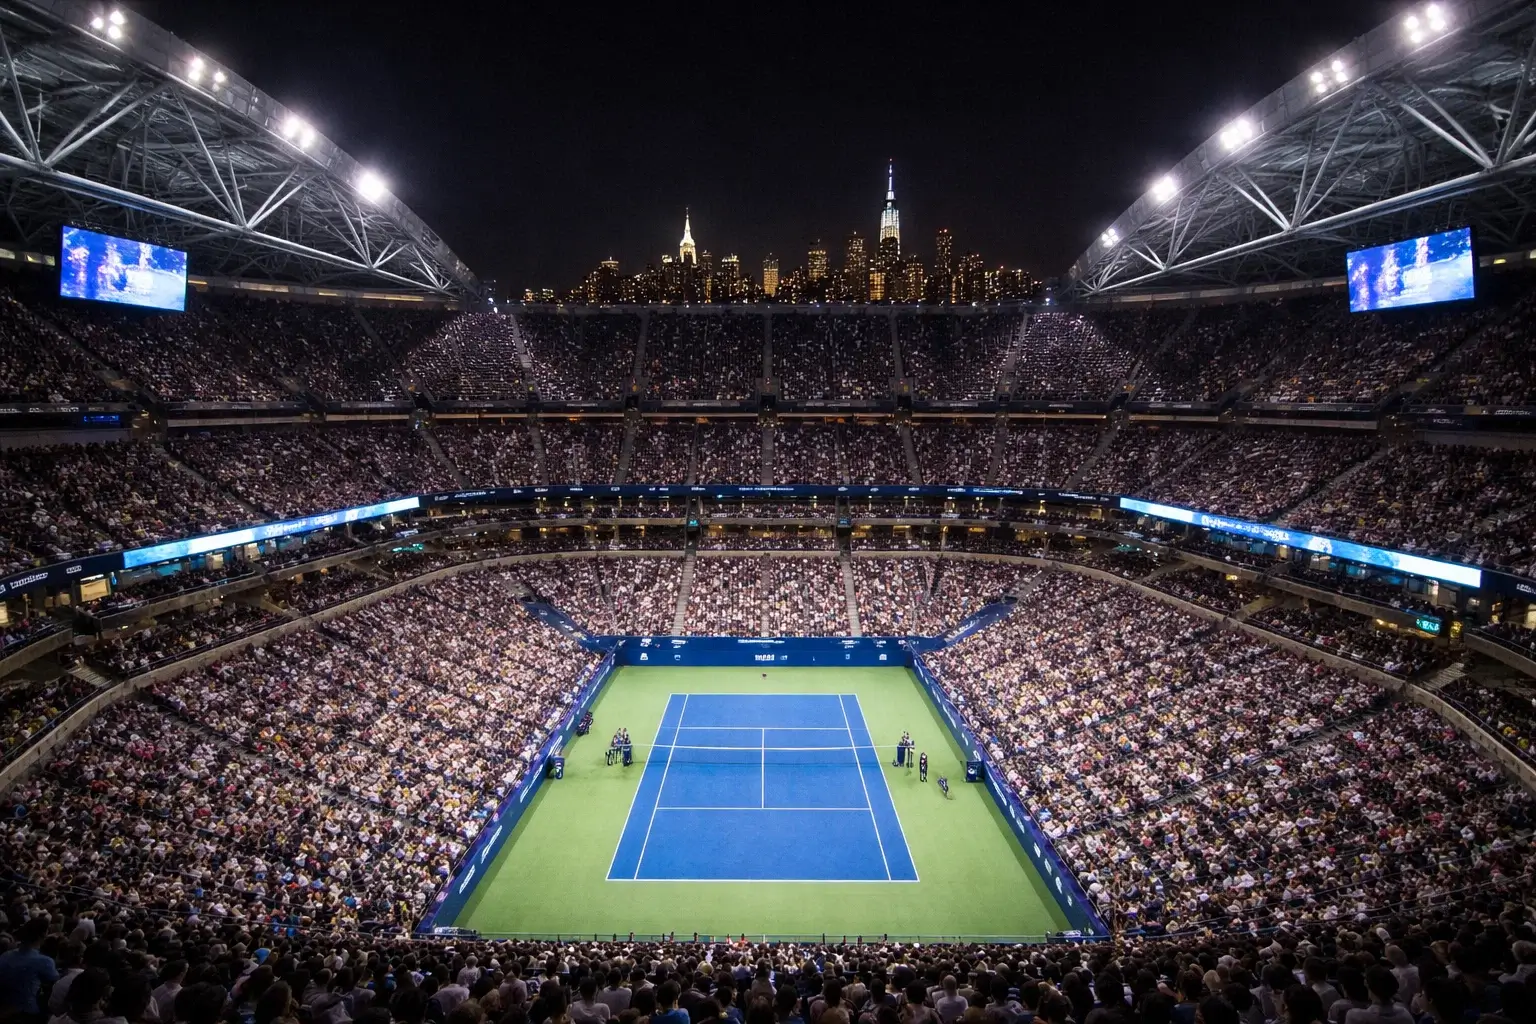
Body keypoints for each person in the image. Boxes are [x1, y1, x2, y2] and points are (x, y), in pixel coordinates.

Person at [0, 916, 59, 1022]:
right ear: (44, 934)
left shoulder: (5, 955)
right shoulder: (44, 961)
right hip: (26, 1012)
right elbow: (56, 982)